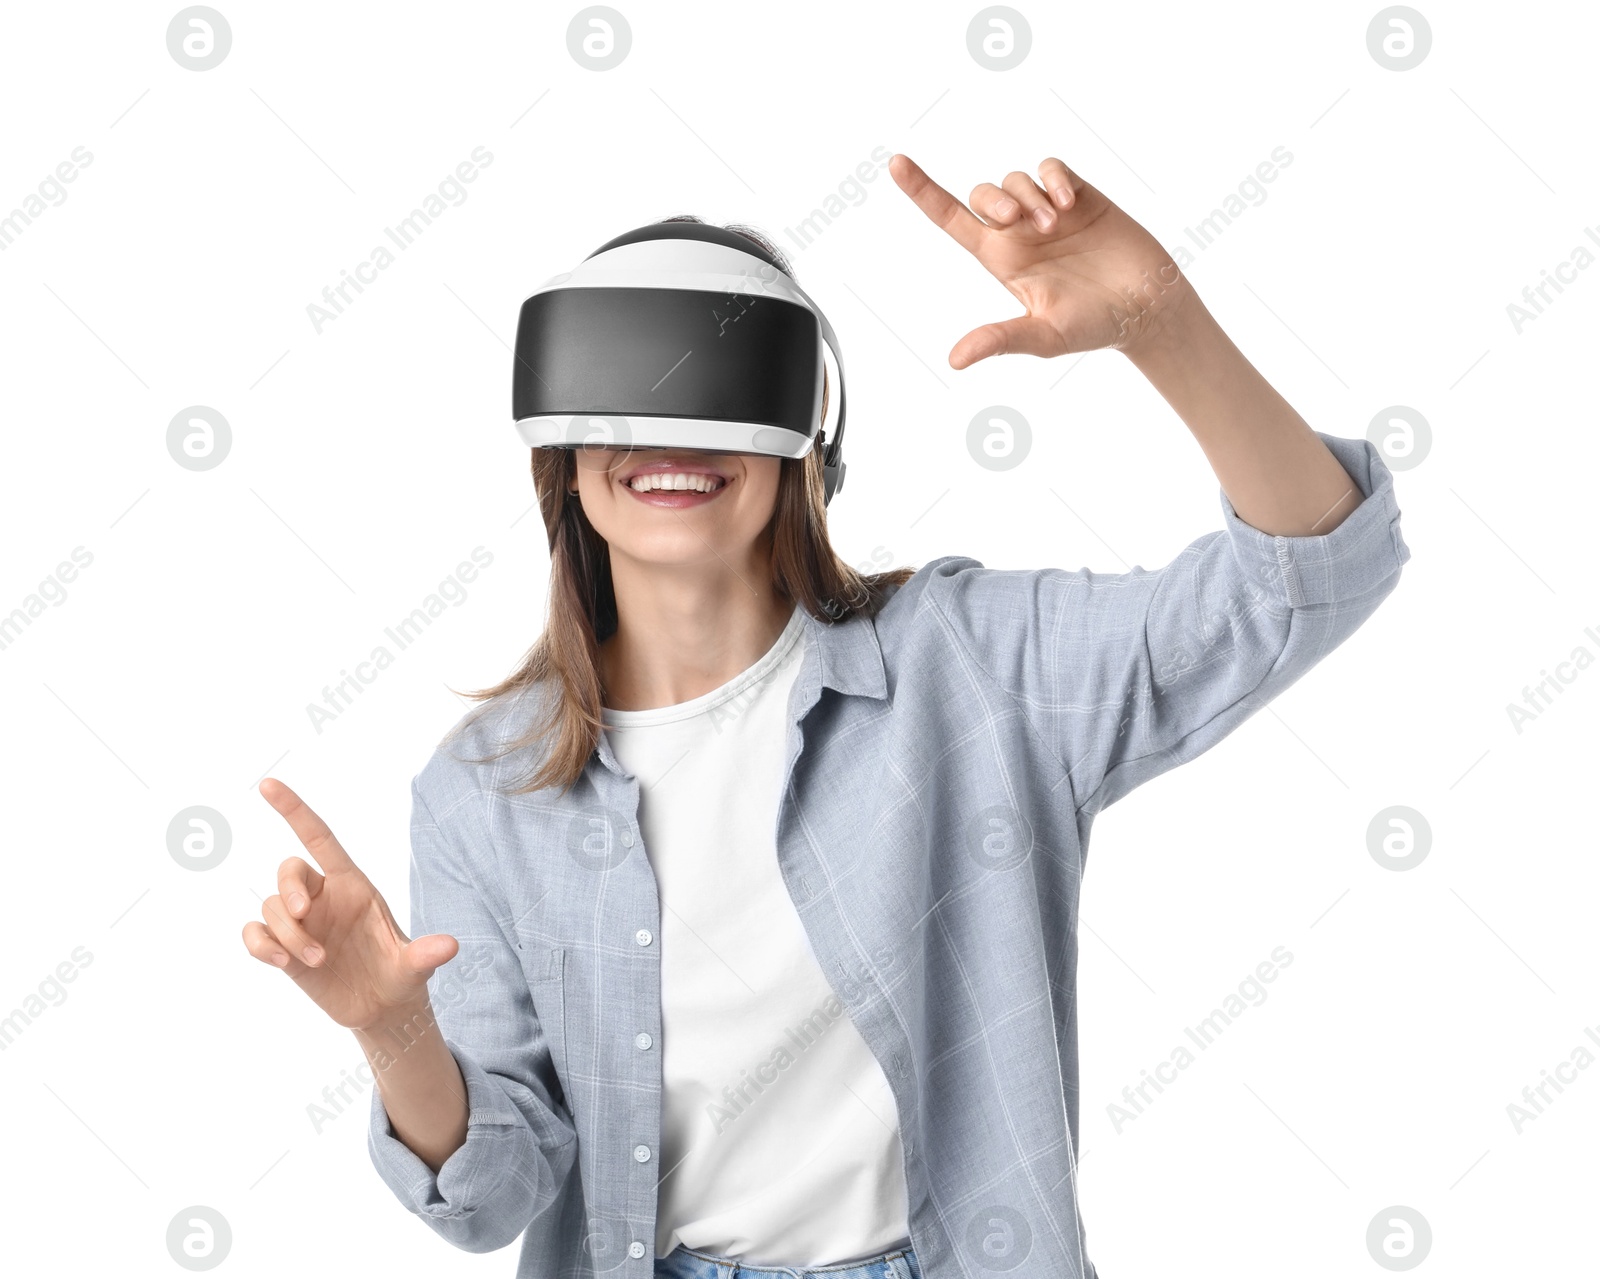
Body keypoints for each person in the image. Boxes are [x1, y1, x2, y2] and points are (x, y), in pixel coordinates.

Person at [242, 154, 1411, 1279]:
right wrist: (391, 1031)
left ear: (809, 435)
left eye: (718, 391)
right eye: (621, 390)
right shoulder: (484, 790)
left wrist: (1160, 322)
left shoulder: (971, 666)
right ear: (562, 451)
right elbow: (492, 1200)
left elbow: (1303, 584)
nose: (671, 439)